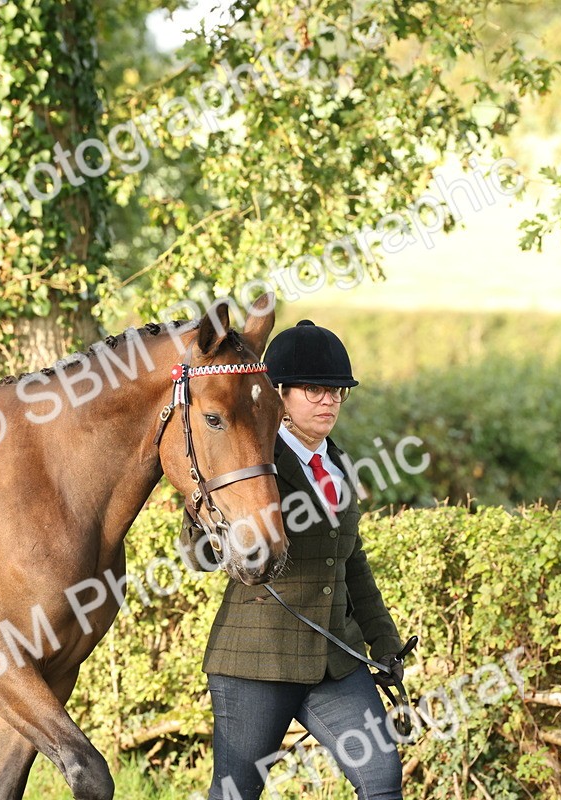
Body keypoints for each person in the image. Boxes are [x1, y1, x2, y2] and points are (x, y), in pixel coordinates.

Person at [202, 319, 405, 800]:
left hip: (334, 660)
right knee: (235, 794)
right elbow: (199, 552)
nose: (329, 401)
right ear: (279, 395)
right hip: (256, 662)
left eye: (337, 392)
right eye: (314, 390)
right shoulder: (252, 462)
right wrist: (209, 522)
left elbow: (352, 563)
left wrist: (385, 642)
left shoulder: (339, 464)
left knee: (382, 780)